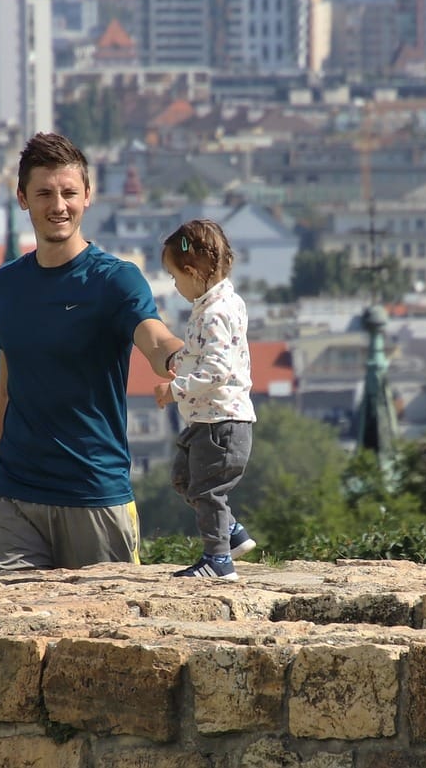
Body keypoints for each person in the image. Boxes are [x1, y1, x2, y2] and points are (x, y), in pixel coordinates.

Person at [0, 132, 184, 574]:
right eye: (44, 193)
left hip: (94, 495)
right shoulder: (5, 284)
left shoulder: (115, 280)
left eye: (69, 192)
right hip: (13, 501)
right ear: (22, 199)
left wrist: (178, 357)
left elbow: (155, 337)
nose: (58, 205)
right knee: (3, 629)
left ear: (88, 196)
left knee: (106, 636)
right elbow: (6, 390)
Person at [154, 219, 257, 581]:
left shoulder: (214, 313)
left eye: (174, 276)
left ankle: (218, 561)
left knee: (208, 492)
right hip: (209, 420)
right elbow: (203, 353)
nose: (174, 285)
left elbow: (218, 371)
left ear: (192, 272)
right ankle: (231, 533)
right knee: (186, 480)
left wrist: (176, 388)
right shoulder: (220, 303)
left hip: (221, 423)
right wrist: (178, 362)